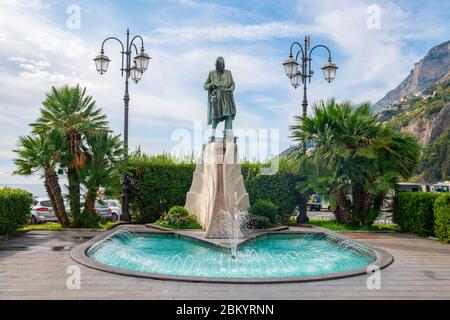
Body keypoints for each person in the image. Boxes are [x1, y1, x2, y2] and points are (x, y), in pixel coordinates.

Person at [204, 57, 236, 142]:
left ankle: (228, 134)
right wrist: (211, 84)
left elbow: (233, 84)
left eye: (223, 64)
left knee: (228, 115)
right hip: (216, 97)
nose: (222, 65)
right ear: (217, 65)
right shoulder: (211, 73)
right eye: (220, 64)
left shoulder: (228, 73)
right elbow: (205, 86)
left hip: (226, 96)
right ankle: (213, 135)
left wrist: (230, 89)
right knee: (215, 116)